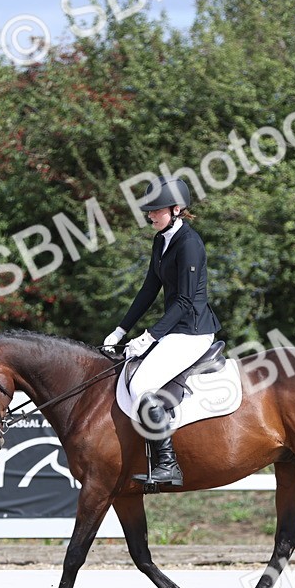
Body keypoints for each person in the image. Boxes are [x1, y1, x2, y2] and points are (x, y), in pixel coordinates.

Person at [103, 177, 221, 486]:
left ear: (177, 209)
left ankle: (168, 465)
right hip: (174, 331)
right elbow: (148, 290)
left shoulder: (190, 244)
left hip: (193, 331)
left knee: (142, 384)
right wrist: (120, 330)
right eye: (150, 211)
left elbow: (184, 300)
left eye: (156, 210)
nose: (151, 216)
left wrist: (148, 337)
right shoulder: (161, 240)